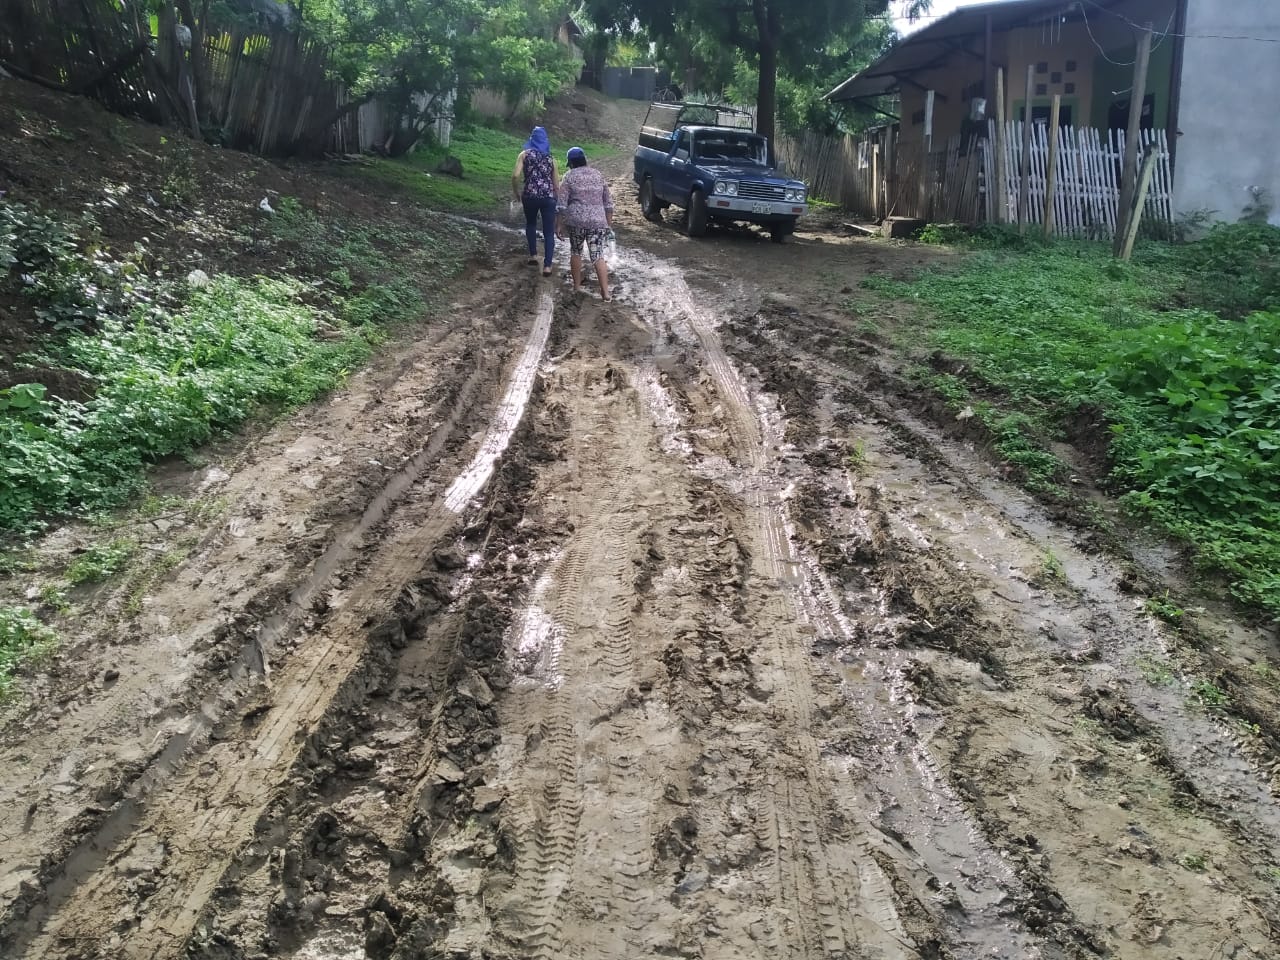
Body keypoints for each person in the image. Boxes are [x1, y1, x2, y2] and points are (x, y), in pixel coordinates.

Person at [556, 146, 615, 301]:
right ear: (585, 160)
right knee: (598, 255)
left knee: (576, 251)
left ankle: (576, 287)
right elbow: (608, 203)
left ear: (571, 163)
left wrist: (559, 224)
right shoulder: (598, 175)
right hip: (597, 222)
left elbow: (561, 204)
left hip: (576, 222)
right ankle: (605, 293)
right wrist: (608, 225)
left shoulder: (569, 176)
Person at [512, 126, 558, 276]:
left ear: (531, 139)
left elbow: (515, 176)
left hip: (530, 195)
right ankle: (547, 266)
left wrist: (516, 193)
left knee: (531, 224)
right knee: (549, 231)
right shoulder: (551, 159)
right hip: (548, 198)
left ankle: (533, 255)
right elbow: (556, 184)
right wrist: (556, 200)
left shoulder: (524, 155)